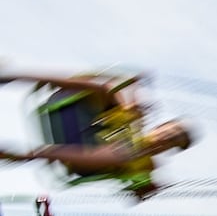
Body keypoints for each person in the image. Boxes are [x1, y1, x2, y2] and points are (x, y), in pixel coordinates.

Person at [0, 71, 195, 199]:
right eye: (169, 133)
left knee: (122, 153)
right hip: (73, 116)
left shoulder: (146, 166)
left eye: (171, 142)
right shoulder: (133, 117)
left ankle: (20, 155)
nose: (166, 139)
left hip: (83, 160)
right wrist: (132, 84)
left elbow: (138, 189)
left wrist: (147, 189)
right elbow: (123, 87)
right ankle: (12, 76)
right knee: (105, 88)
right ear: (160, 127)